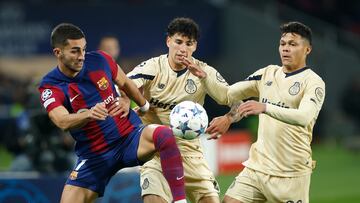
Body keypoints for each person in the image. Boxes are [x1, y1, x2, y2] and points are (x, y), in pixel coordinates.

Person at [38, 23, 187, 203]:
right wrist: (88, 114)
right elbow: (61, 120)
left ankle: (180, 200)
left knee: (164, 134)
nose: (82, 56)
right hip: (94, 156)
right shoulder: (50, 85)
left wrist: (143, 105)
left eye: (84, 49)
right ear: (58, 53)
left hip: (129, 138)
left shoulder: (100, 60)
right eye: (75, 51)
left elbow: (125, 83)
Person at [188, 21, 326, 203]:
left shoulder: (313, 82)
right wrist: (206, 76)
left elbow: (304, 117)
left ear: (307, 49)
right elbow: (227, 95)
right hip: (257, 168)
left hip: (290, 174)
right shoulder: (266, 74)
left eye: (293, 44)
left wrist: (265, 107)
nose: (285, 49)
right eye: (283, 43)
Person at [127, 17, 240, 203]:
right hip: (156, 154)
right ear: (168, 41)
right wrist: (135, 104)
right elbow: (125, 84)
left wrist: (228, 118)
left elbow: (238, 103)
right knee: (153, 200)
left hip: (192, 154)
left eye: (189, 43)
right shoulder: (153, 67)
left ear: (195, 46)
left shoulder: (204, 72)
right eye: (178, 42)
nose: (183, 48)